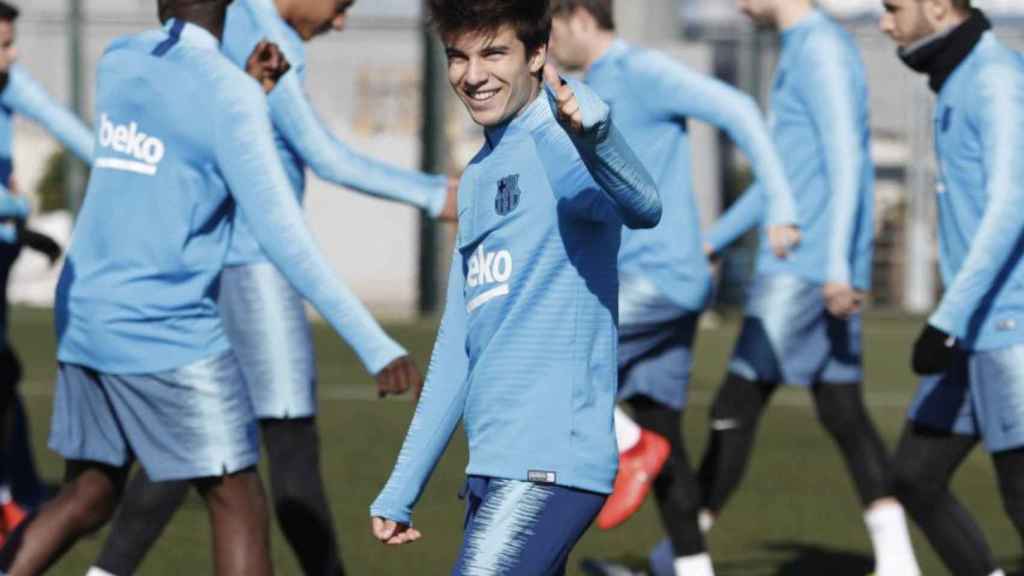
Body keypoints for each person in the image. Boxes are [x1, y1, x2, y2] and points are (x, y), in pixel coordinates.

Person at [0, 0, 419, 573]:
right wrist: (376, 345)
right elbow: (286, 239)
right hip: (163, 324)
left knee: (90, 493)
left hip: (85, 312)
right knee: (236, 496)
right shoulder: (229, 94)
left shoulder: (119, 60)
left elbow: (175, 132)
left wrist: (244, 86)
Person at [369, 0, 662, 572]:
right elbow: (459, 343)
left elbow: (644, 207)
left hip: (551, 462)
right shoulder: (478, 176)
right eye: (458, 57)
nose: (473, 75)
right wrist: (402, 485)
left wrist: (597, 134)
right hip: (492, 466)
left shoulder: (566, 140)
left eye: (493, 53)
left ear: (536, 55)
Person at [546, 1, 798, 574]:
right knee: (663, 430)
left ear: (581, 17)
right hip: (661, 282)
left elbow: (736, 106)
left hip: (655, 279)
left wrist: (780, 202)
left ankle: (627, 444)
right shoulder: (588, 85)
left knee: (546, 356)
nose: (547, 42)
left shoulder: (640, 72)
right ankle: (691, 567)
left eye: (551, 28)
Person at [693, 1, 920, 575]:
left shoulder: (819, 48)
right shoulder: (801, 47)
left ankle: (679, 555)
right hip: (816, 262)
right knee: (843, 410)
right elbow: (783, 176)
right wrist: (712, 241)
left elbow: (848, 162)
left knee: (734, 405)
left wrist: (841, 265)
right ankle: (899, 563)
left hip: (806, 266)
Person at [880, 1, 1024, 575]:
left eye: (893, 8)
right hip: (972, 331)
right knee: (915, 476)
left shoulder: (993, 79)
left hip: (1011, 328)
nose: (885, 23)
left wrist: (944, 316)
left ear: (938, 7)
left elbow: (1010, 207)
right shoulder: (957, 80)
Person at [0, 0, 95, 538]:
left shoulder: (9, 83)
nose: (12, 56)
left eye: (11, 42)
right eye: (3, 44)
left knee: (4, 376)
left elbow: (74, 132)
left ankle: (19, 492)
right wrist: (16, 207)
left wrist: (124, 167)